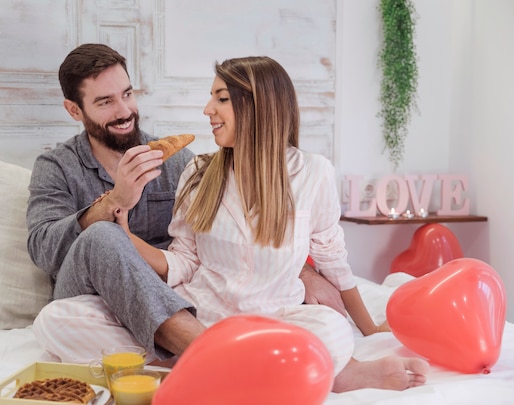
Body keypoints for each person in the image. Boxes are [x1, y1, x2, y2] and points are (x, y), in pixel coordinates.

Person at [111, 56, 430, 392]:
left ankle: (216, 369)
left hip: (276, 319)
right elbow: (184, 261)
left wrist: (368, 329)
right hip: (202, 319)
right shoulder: (200, 171)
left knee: (333, 330)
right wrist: (124, 234)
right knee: (67, 321)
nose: (207, 109)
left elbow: (332, 262)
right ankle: (319, 374)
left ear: (258, 105)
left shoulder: (313, 172)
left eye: (221, 98)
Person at [27, 44, 342, 367]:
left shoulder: (178, 161)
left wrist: (303, 269)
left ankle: (184, 355)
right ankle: (220, 357)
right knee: (97, 246)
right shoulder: (56, 166)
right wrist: (114, 202)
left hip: (171, 303)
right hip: (95, 299)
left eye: (127, 94)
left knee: (328, 331)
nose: (124, 111)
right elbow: (44, 251)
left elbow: (225, 237)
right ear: (74, 110)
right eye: (105, 102)